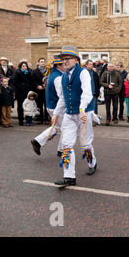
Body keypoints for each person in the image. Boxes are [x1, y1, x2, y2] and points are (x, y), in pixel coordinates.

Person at [52, 45, 98, 186]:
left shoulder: (83, 72)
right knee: (66, 144)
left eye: (67, 59)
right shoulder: (63, 76)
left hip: (84, 113)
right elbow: (63, 98)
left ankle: (92, 163)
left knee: (85, 144)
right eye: (62, 59)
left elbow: (87, 92)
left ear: (76, 60)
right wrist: (55, 113)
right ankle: (69, 176)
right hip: (70, 114)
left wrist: (83, 108)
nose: (64, 62)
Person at [31, 55, 66, 156]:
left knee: (59, 126)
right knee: (66, 128)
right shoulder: (58, 77)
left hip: (52, 105)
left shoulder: (53, 74)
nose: (65, 65)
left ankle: (39, 142)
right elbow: (61, 95)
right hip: (57, 106)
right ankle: (61, 150)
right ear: (58, 65)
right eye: (63, 63)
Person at [32, 58, 48, 124]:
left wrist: (46, 85)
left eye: (44, 62)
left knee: (46, 105)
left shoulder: (48, 71)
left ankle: (47, 119)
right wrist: (37, 86)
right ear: (38, 63)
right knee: (39, 105)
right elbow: (33, 81)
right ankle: (40, 119)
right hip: (39, 91)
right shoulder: (35, 71)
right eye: (41, 62)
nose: (43, 63)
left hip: (46, 90)